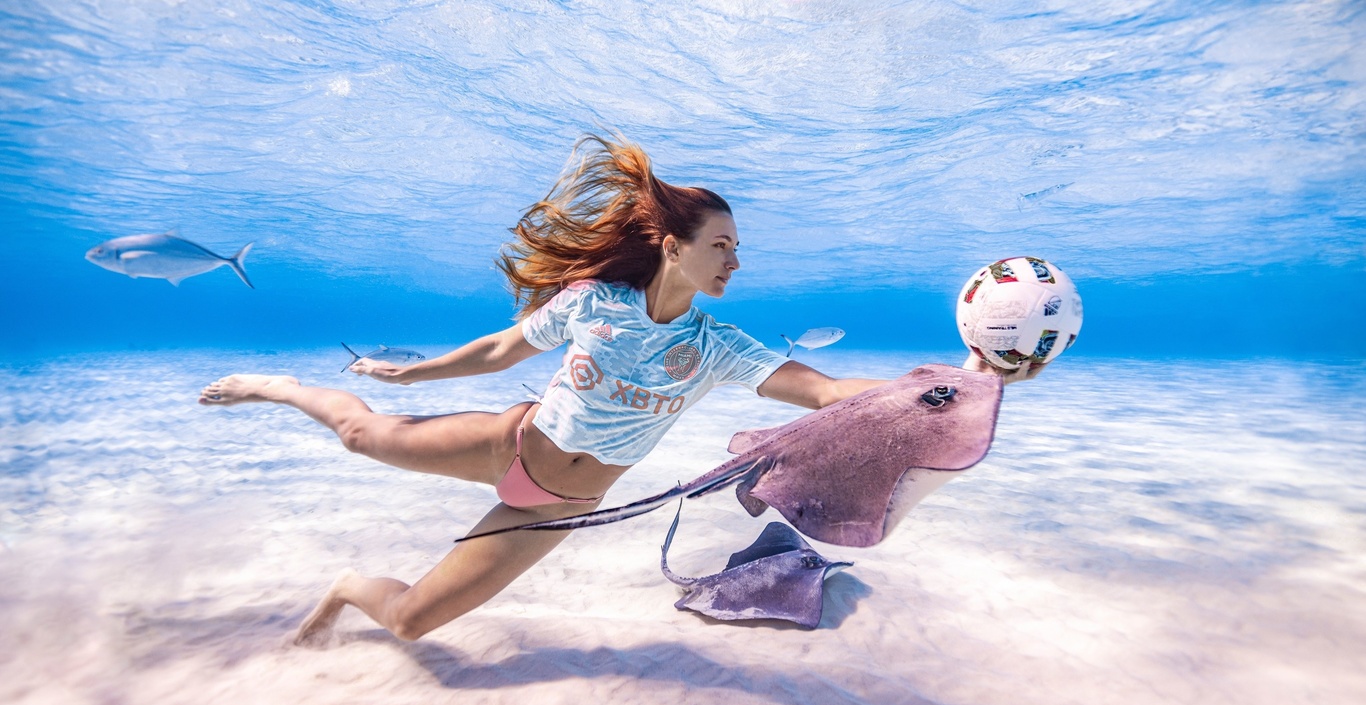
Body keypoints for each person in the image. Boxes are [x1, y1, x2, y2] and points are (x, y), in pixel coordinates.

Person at [198, 134, 1040, 645]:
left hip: (556, 509)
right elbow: (498, 349)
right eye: (724, 245)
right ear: (673, 245)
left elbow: (825, 393)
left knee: (415, 620)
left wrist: (963, 379)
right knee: (359, 434)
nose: (736, 261)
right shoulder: (594, 302)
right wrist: (411, 370)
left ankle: (349, 586)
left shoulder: (717, 346)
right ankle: (279, 387)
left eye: (739, 248)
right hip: (508, 443)